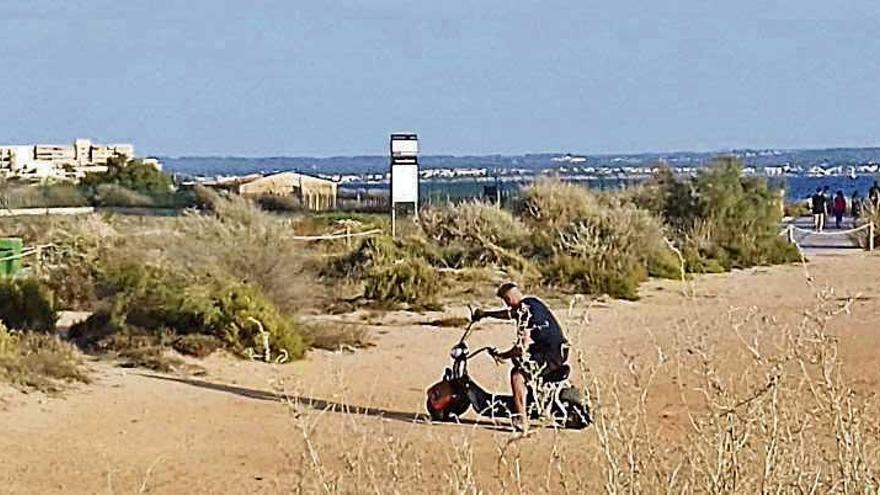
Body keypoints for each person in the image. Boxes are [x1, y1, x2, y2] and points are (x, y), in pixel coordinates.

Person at [472, 283, 569, 431]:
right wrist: (486, 314)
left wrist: (502, 355)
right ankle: (532, 399)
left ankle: (521, 419)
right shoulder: (531, 303)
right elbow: (509, 314)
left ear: (509, 298)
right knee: (521, 362)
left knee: (517, 376)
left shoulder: (525, 312)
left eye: (506, 301)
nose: (507, 305)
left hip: (550, 353)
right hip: (557, 349)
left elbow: (521, 346)